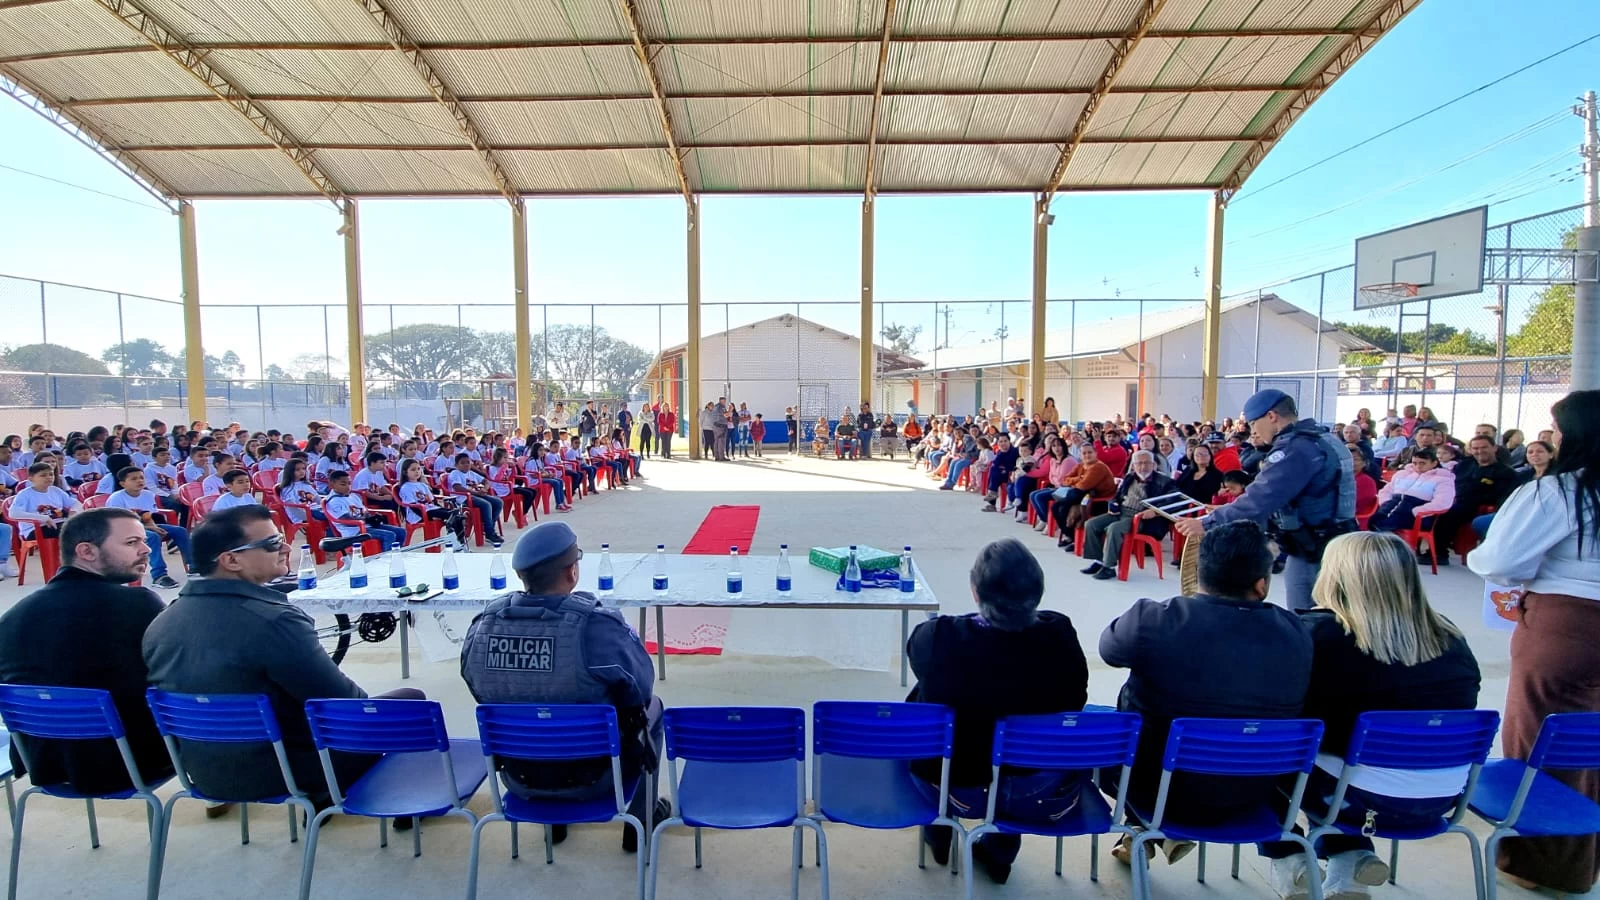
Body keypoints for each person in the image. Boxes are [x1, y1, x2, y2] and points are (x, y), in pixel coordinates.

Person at [142, 505, 425, 808]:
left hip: (204, 773)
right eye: (272, 544)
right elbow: (346, 703)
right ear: (231, 560)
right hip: (287, 772)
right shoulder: (273, 621)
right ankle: (409, 805)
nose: (286, 547)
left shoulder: (161, 622)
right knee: (409, 701)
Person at [1258, 532, 1480, 900]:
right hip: (1441, 798)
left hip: (1354, 797)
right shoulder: (1450, 638)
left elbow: (1284, 719)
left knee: (1261, 753)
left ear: (1334, 575)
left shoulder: (1316, 635)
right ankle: (1350, 859)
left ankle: (1289, 856)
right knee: (1342, 757)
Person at [1100, 521, 1313, 866]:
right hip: (1256, 794)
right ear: (1261, 586)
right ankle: (1148, 832)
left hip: (1157, 790)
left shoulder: (1153, 619)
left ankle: (1145, 828)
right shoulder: (1297, 632)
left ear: (1199, 575)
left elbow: (1109, 650)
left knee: (1130, 702)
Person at [459, 523, 668, 851]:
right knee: (653, 710)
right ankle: (640, 822)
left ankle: (552, 822)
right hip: (596, 775)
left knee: (530, 714)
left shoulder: (483, 629)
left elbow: (476, 686)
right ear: (572, 572)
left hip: (519, 776)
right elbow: (641, 686)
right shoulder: (596, 628)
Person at [1467, 390, 1600, 897]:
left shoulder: (1558, 491)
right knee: (1591, 743)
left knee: (1542, 742)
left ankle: (1543, 866)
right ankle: (1586, 858)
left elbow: (1501, 560)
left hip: (1565, 629)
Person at [906, 538, 1089, 884]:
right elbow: (1076, 698)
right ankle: (999, 853)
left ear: (976, 591)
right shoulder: (1060, 634)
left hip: (954, 786)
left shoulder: (939, 636)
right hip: (1038, 790)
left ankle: (938, 831)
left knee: (926, 700)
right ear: (1038, 591)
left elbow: (919, 660)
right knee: (1016, 747)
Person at [0, 509, 173, 795]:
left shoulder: (11, 618)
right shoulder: (138, 604)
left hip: (44, 765)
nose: (145, 549)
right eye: (131, 543)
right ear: (86, 551)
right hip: (134, 763)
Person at [1174, 390, 1356, 611]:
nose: (1253, 431)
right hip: (1337, 543)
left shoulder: (1294, 448)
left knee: (1308, 619)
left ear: (1271, 416)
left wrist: (1206, 523)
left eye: (1253, 424)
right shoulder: (1323, 439)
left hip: (1314, 550)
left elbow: (1260, 499)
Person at [1080, 450, 1175, 580]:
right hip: (1122, 511)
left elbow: (1175, 499)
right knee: (1091, 524)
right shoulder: (1130, 477)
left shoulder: (1165, 481)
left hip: (1141, 517)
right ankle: (1099, 561)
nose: (1142, 466)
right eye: (1139, 463)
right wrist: (1113, 504)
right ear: (1134, 465)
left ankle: (1109, 567)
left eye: (1147, 463)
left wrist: (1156, 511)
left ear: (1154, 465)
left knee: (1114, 528)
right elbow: (1117, 496)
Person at [1432, 435, 1522, 565]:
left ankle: (1439, 553)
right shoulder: (1464, 465)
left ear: (1494, 448)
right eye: (1475, 448)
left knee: (1448, 512)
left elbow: (1500, 496)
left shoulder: (1506, 472)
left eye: (1484, 447)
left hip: (1476, 506)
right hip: (1452, 498)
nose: (1479, 451)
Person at [106, 465, 192, 588]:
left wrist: (153, 526)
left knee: (180, 531)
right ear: (123, 483)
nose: (139, 481)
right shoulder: (116, 498)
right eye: (134, 479)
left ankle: (193, 566)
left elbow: (147, 516)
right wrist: (151, 529)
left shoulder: (147, 494)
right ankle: (159, 575)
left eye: (141, 478)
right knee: (152, 537)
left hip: (143, 526)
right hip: (123, 530)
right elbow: (118, 522)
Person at [1367, 449, 1454, 535]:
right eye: (1415, 463)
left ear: (1434, 463)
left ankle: (1383, 541)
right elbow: (1386, 491)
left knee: (1381, 526)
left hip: (1417, 514)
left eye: (1422, 463)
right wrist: (1385, 502)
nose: (1418, 466)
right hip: (1392, 506)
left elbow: (1442, 502)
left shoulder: (1444, 480)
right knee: (1371, 521)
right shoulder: (1403, 474)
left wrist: (1416, 511)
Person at [1052, 444, 1118, 550]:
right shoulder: (1081, 465)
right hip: (1083, 496)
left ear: (1096, 454)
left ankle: (1075, 540)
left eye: (1090, 452)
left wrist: (1074, 482)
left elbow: (1083, 485)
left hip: (1099, 502)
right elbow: (1065, 480)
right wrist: (1079, 478)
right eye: (1084, 453)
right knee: (1056, 507)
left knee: (1065, 505)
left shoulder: (1098, 466)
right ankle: (1071, 536)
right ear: (1080, 455)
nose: (1087, 455)